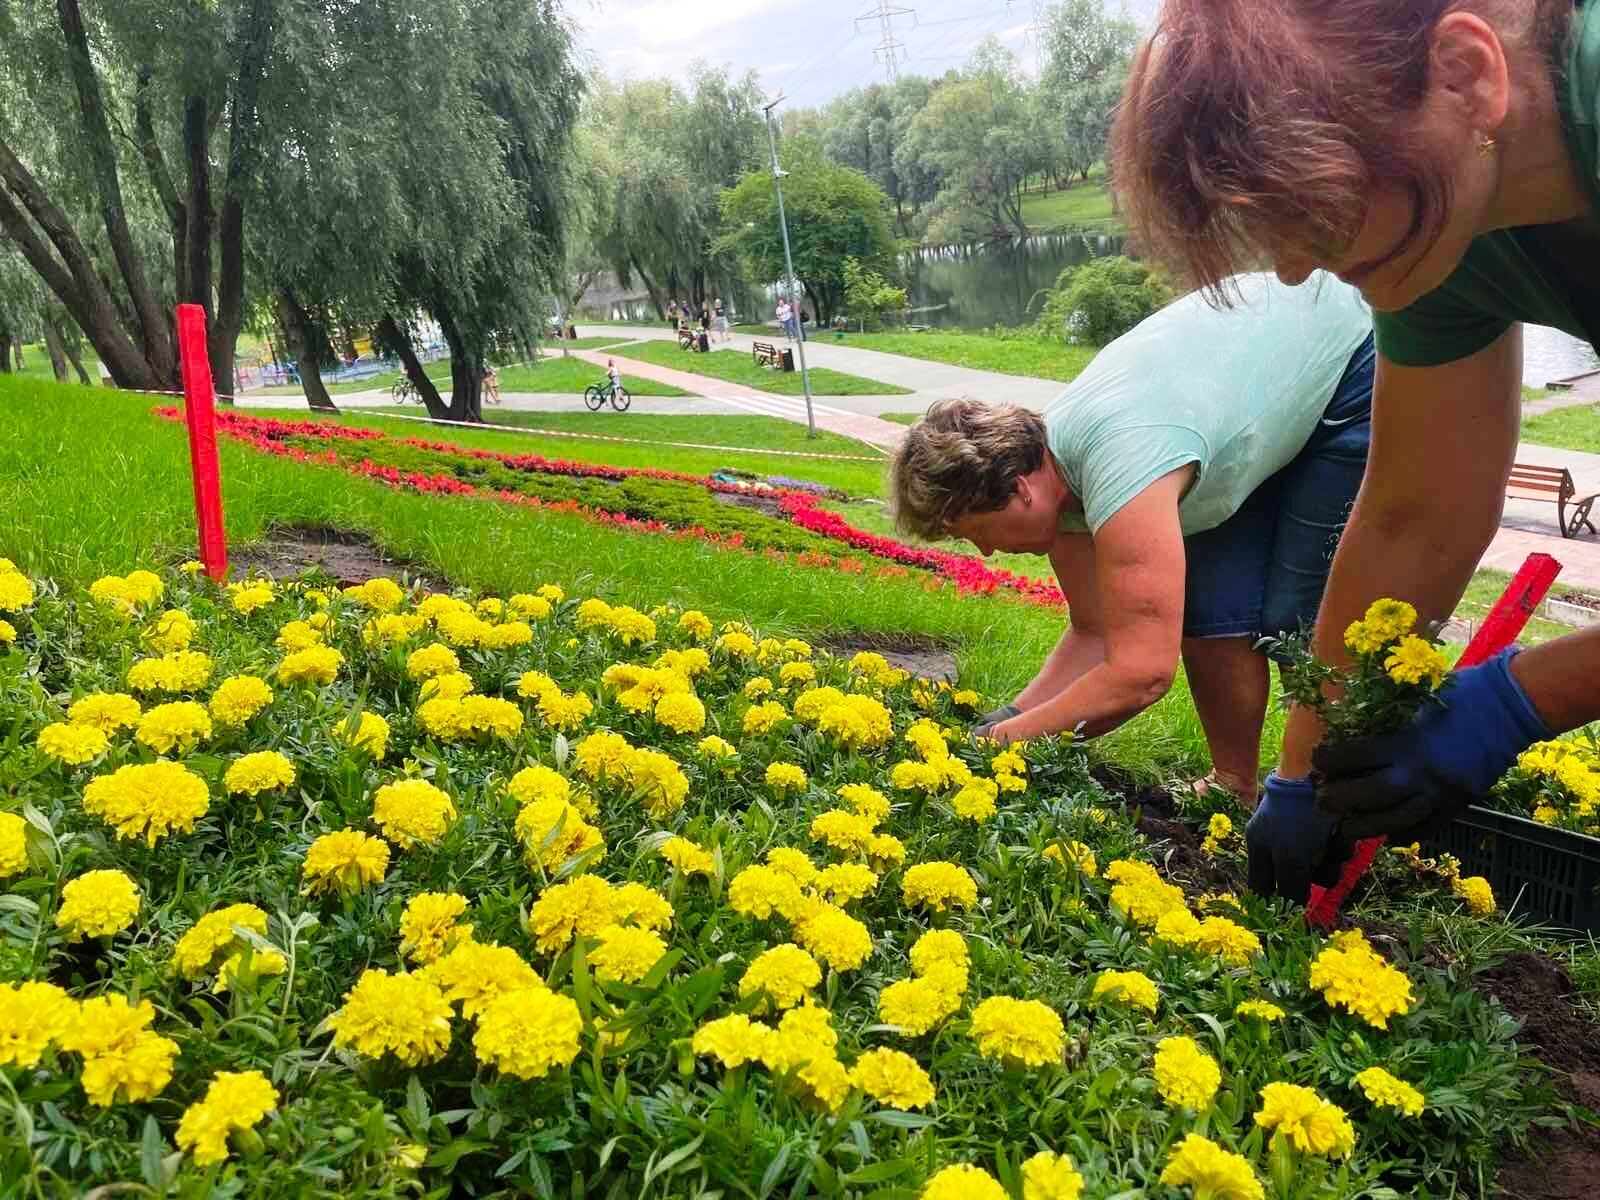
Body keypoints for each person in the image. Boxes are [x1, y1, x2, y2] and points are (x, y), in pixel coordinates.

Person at [1111, 0, 1600, 901]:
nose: (1292, 268)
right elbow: (1419, 512)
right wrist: (1304, 774)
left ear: (1463, 73)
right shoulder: (1446, 225)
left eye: (1317, 191)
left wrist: (1521, 700)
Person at [889, 273, 1374, 803]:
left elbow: (1141, 673)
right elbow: (1097, 631)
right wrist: (1006, 722)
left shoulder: (1123, 465)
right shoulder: (1059, 483)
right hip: (1236, 401)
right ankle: (1234, 789)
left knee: (1299, 618)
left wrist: (1003, 745)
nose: (984, 551)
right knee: (1212, 608)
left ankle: (1330, 802)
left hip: (1343, 359)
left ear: (1018, 489)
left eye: (974, 531)